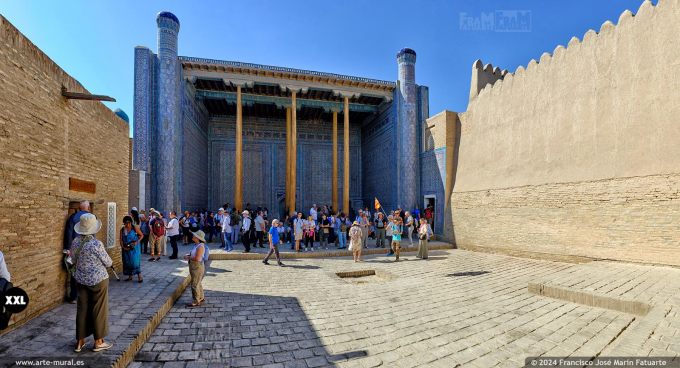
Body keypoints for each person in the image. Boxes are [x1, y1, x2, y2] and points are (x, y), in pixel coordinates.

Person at [69, 213, 113, 353]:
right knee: (98, 309)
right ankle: (98, 342)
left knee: (82, 309)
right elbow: (108, 262)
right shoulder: (96, 244)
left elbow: (73, 260)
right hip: (98, 280)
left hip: (81, 279)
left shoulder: (75, 242)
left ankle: (79, 341)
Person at [63, 200, 90, 303]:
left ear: (79, 207)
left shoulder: (73, 218)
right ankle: (85, 295)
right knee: (86, 271)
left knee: (74, 272)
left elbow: (69, 234)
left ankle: (74, 296)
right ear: (88, 207)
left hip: (75, 248)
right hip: (87, 248)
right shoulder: (92, 218)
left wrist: (67, 249)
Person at [184, 230, 207, 308]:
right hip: (195, 266)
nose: (193, 236)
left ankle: (196, 301)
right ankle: (201, 297)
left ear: (197, 238)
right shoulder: (197, 245)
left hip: (197, 266)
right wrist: (190, 255)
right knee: (198, 282)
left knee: (194, 284)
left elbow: (197, 258)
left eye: (194, 235)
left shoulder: (200, 246)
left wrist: (188, 257)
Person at [120, 216, 143, 283]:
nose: (127, 225)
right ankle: (130, 276)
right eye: (125, 223)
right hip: (126, 248)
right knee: (127, 261)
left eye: (128, 223)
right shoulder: (122, 230)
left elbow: (141, 235)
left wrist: (136, 242)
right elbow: (121, 240)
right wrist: (123, 247)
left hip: (134, 248)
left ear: (130, 222)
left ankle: (139, 276)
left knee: (135, 262)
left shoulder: (134, 228)